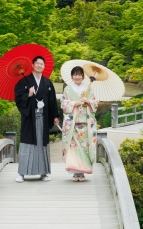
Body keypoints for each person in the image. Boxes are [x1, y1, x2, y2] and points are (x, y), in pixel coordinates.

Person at [14, 55, 59, 183]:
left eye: (41, 64)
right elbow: (18, 98)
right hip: (30, 118)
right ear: (33, 65)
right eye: (37, 63)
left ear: (44, 66)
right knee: (27, 143)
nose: (39, 65)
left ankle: (43, 172)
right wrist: (28, 94)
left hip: (43, 118)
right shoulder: (24, 82)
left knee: (42, 144)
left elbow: (52, 101)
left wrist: (55, 116)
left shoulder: (47, 82)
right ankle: (21, 173)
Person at [60, 66, 98, 181]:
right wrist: (76, 103)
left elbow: (95, 104)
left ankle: (82, 172)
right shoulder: (67, 89)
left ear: (83, 76)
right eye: (75, 75)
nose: (77, 77)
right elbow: (64, 104)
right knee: (73, 147)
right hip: (72, 123)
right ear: (72, 76)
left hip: (85, 122)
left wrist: (88, 101)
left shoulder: (88, 89)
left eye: (79, 75)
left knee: (84, 147)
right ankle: (75, 172)